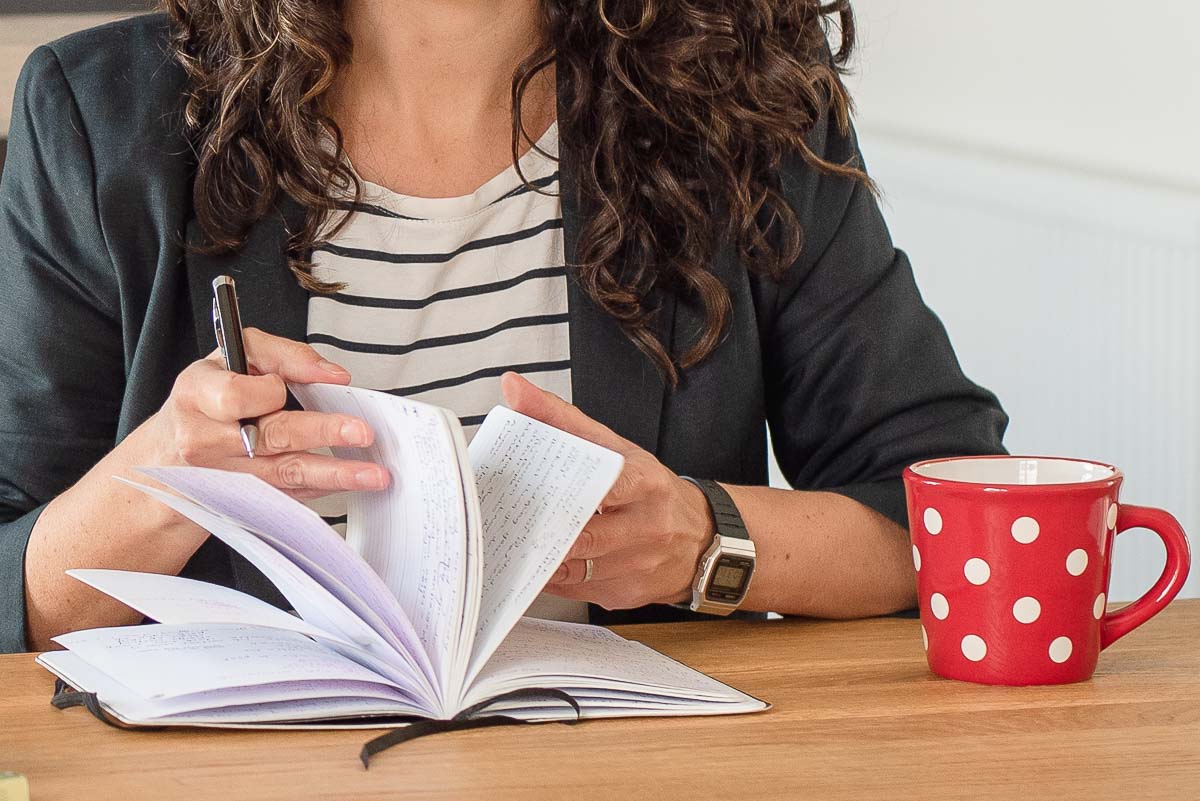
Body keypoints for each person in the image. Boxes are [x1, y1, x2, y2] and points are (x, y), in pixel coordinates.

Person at [0, 0, 1006, 654]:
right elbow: (16, 583)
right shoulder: (98, 117)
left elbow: (958, 522)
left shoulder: (745, 97)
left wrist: (707, 543)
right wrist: (152, 489)